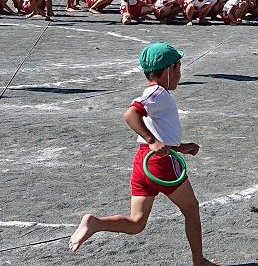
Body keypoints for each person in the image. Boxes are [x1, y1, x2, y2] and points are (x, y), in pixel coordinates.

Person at [68, 42, 217, 266]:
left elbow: (160, 135)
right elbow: (130, 115)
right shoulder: (157, 93)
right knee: (191, 209)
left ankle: (95, 223)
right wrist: (153, 140)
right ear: (169, 70)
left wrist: (179, 147)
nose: (180, 72)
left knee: (137, 223)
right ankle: (199, 261)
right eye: (178, 66)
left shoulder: (156, 93)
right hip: (161, 164)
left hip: (143, 161)